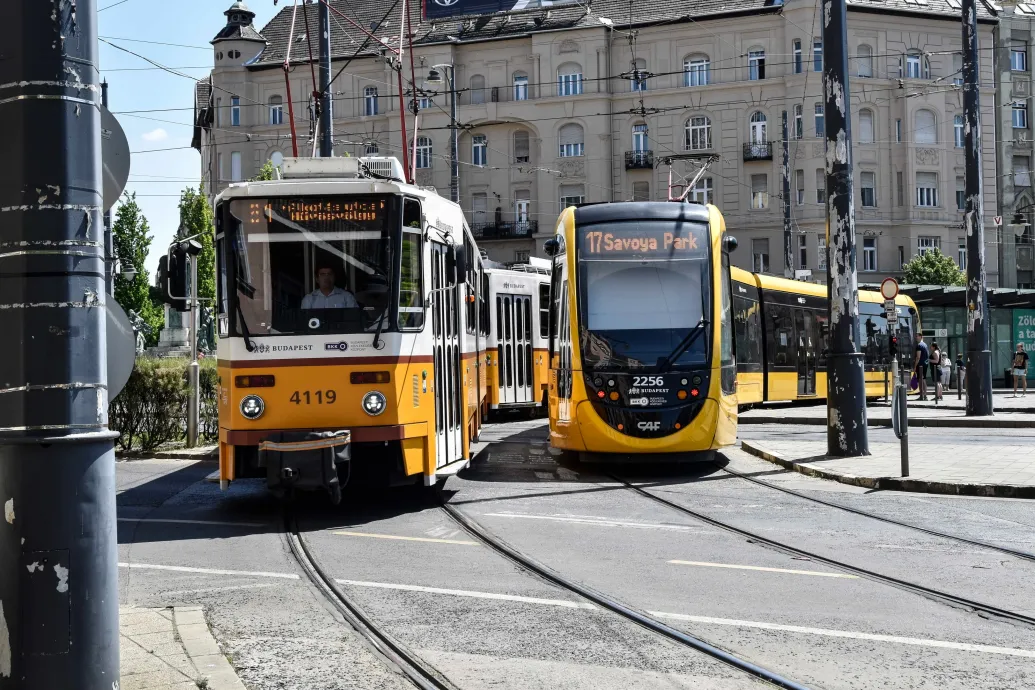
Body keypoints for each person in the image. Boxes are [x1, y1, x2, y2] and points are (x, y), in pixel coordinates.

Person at [913, 332, 929, 400]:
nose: (916, 338)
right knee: (924, 379)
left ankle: (921, 395)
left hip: (920, 365)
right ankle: (925, 395)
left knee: (920, 380)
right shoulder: (925, 345)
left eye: (917, 336)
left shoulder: (919, 345)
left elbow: (918, 357)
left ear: (920, 337)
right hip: (925, 364)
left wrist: (915, 366)